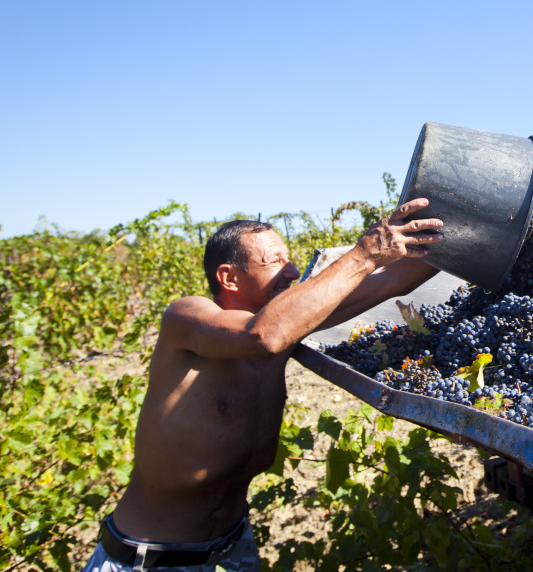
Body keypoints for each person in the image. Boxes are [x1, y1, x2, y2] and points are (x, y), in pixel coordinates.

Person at [82, 198, 444, 571]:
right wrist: (365, 254)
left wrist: (475, 235)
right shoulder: (187, 318)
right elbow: (262, 336)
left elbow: (396, 280)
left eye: (289, 259)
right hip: (150, 559)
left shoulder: (288, 320)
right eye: (273, 261)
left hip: (233, 548)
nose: (290, 271)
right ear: (229, 277)